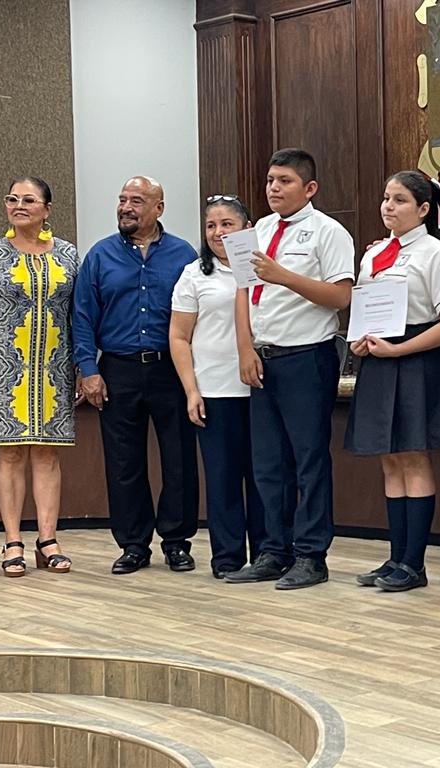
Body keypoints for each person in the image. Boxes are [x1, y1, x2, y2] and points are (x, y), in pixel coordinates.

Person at [224, 148, 354, 590]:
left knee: (308, 461)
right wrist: (244, 347)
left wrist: (283, 275)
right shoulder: (255, 231)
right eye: (269, 181)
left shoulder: (328, 232)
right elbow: (242, 291)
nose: (273, 189)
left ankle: (311, 555)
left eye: (284, 181)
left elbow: (340, 297)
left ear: (309, 188)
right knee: (268, 463)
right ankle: (273, 551)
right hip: (264, 357)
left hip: (306, 357)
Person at [345, 171, 440, 591]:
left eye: (399, 200)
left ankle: (414, 563)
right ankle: (395, 556)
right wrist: (361, 342)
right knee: (389, 458)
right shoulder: (375, 254)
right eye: (385, 198)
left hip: (417, 357)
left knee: (414, 456)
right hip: (379, 358)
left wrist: (400, 349)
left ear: (424, 209)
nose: (388, 207)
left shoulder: (437, 254)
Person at [72, 176, 199, 575]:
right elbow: (82, 316)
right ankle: (132, 544)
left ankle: (177, 542)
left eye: (137, 201)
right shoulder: (99, 255)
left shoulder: (183, 255)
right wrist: (88, 369)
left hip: (170, 369)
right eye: (122, 199)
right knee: (123, 462)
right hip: (117, 370)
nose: (126, 207)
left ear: (159, 208)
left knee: (179, 458)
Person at [0, 177, 81, 577]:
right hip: (4, 370)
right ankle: (12, 539)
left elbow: (78, 318)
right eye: (12, 199)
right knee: (10, 452)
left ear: (47, 209)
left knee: (48, 452)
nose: (19, 205)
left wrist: (83, 368)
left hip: (55, 370)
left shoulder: (68, 255)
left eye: (29, 200)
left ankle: (47, 539)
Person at [169, 194, 266, 580]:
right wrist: (192, 390)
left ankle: (268, 553)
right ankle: (226, 558)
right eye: (211, 225)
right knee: (223, 478)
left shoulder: (266, 268)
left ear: (246, 227)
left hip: (261, 389)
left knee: (264, 477)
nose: (218, 232)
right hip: (215, 391)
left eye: (227, 224)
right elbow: (178, 337)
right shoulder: (194, 275)